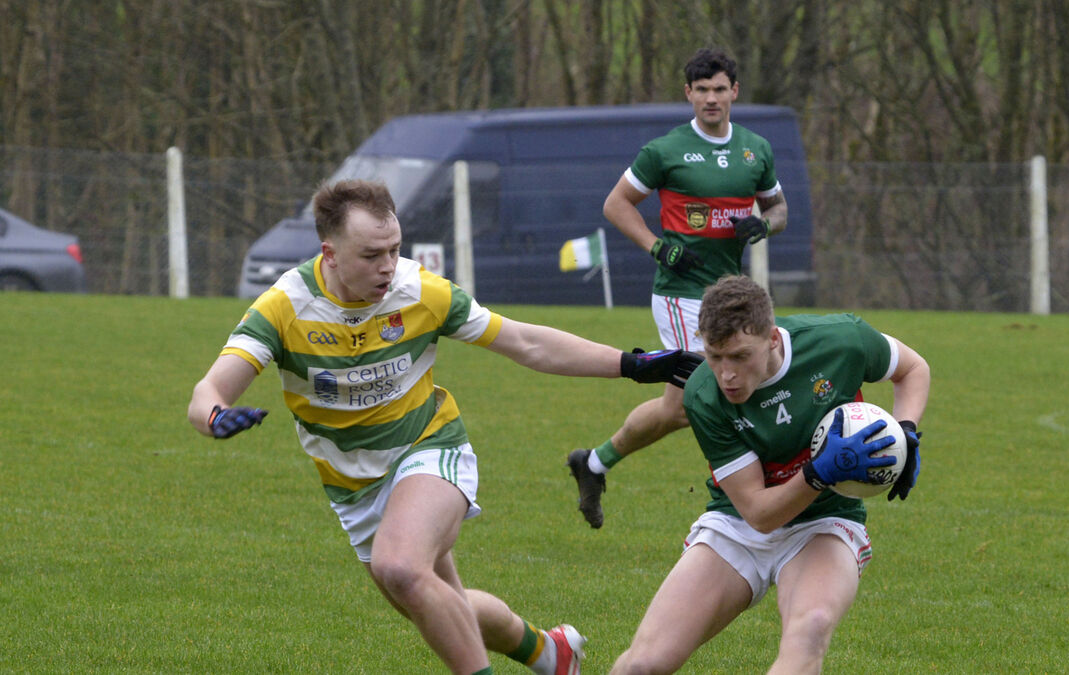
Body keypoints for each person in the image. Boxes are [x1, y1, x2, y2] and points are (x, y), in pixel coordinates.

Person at [187, 179, 702, 675]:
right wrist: (215, 416)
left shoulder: (419, 290)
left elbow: (526, 343)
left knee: (400, 568)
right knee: (436, 604)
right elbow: (208, 392)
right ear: (331, 254)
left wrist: (631, 364)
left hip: (429, 448)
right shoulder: (286, 306)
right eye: (371, 255)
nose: (388, 266)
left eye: (395, 249)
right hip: (353, 487)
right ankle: (550, 653)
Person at [610, 275, 929, 674]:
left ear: (773, 339)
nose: (726, 374)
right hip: (737, 524)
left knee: (810, 628)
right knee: (642, 665)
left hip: (825, 521)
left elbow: (913, 368)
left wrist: (905, 433)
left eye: (740, 356)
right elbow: (759, 514)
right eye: (714, 356)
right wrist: (819, 471)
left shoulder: (841, 340)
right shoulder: (703, 394)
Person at [568, 47, 788, 528]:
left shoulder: (755, 149)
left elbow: (779, 210)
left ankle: (594, 463)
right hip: (681, 293)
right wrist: (657, 248)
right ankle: (744, 496)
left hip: (732, 294)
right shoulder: (665, 150)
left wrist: (763, 225)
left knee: (676, 408)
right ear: (688, 93)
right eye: (702, 89)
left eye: (719, 89)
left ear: (734, 91)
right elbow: (616, 204)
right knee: (720, 390)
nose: (711, 98)